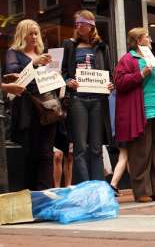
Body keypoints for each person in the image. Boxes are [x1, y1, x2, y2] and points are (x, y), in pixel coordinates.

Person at [115, 27, 155, 203]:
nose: (151, 40)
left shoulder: (151, 58)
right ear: (139, 41)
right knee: (141, 153)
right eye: (148, 37)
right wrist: (140, 74)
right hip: (142, 111)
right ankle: (141, 191)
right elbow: (120, 83)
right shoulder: (128, 59)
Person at [61, 10, 113, 184]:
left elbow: (108, 73)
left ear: (91, 25)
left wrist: (110, 84)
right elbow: (63, 73)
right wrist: (68, 81)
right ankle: (84, 187)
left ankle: (98, 187)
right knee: (80, 147)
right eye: (76, 23)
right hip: (78, 100)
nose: (78, 25)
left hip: (98, 100)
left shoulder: (102, 46)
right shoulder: (69, 45)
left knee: (97, 147)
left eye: (81, 22)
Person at [5, 19, 56, 190]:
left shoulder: (43, 54)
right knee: (30, 152)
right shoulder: (13, 53)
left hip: (48, 108)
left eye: (36, 33)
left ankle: (45, 193)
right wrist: (33, 63)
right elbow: (12, 74)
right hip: (27, 108)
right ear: (22, 35)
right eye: (30, 33)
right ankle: (31, 195)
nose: (34, 37)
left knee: (47, 153)